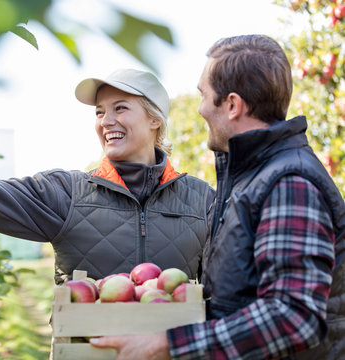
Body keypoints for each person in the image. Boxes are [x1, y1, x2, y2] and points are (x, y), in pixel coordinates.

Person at [90, 34, 345, 359]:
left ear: (232, 105)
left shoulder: (289, 181)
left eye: (203, 95)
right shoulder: (250, 179)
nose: (198, 109)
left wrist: (168, 345)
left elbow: (293, 316)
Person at [0, 68, 215, 285]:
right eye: (100, 112)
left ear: (154, 119)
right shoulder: (67, 193)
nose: (106, 121)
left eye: (120, 108)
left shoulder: (202, 201)